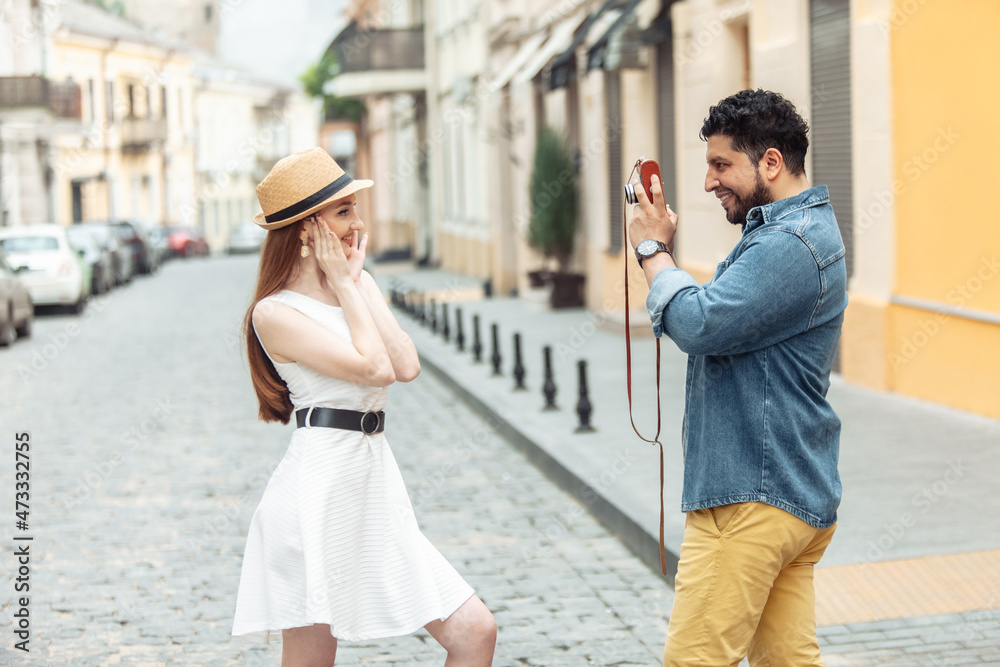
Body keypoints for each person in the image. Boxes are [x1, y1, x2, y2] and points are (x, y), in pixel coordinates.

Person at [231, 147, 496, 666]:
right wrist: (350, 288)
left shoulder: (359, 282)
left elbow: (405, 364)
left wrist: (354, 284)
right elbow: (372, 368)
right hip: (316, 492)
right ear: (308, 228)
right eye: (344, 212)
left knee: (475, 632)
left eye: (355, 208)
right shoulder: (274, 313)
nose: (358, 223)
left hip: (371, 482)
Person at [627, 90, 848, 666]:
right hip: (783, 492)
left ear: (770, 162)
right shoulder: (789, 234)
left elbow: (699, 322)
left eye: (721, 164)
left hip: (751, 495)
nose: (707, 182)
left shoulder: (791, 243)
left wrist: (652, 250)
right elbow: (721, 312)